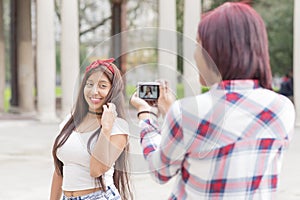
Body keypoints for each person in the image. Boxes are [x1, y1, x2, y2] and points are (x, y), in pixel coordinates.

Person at [130, 2, 295, 199]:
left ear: (217, 51)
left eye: (199, 43)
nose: (194, 53)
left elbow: (160, 171)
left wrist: (147, 117)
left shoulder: (187, 113)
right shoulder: (282, 108)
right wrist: (173, 111)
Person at [50, 58, 132, 200]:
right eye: (90, 84)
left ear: (113, 90)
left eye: (102, 85)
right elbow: (59, 170)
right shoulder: (70, 121)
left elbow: (96, 170)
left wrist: (106, 128)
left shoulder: (118, 127)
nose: (94, 91)